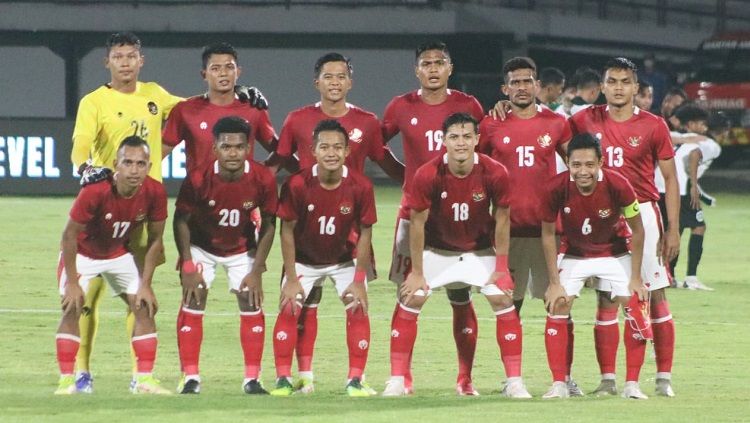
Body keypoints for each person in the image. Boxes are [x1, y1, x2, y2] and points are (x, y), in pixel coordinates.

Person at [274, 53, 401, 392]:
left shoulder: (368, 122)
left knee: (357, 303)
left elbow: (385, 161)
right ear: (317, 82)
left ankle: (355, 380)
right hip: (307, 232)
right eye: (327, 76)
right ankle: (301, 377)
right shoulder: (297, 120)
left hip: (350, 232)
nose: (334, 82)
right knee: (301, 304)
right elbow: (281, 159)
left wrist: (419, 184)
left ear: (350, 82)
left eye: (340, 76)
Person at [383, 113, 529, 397]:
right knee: (410, 296)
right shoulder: (427, 173)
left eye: (466, 137)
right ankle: (398, 379)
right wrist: (417, 271)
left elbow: (502, 219)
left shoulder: (495, 171)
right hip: (437, 250)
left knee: (501, 297)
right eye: (453, 137)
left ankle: (512, 382)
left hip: (478, 250)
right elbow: (417, 224)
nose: (460, 143)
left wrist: (501, 267)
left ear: (476, 139)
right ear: (443, 140)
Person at [69, 31, 182, 393]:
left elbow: (194, 108)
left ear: (141, 60)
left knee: (141, 295)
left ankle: (142, 376)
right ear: (108, 62)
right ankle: (81, 372)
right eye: (118, 57)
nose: (125, 63)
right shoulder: (94, 101)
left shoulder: (155, 95)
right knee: (89, 295)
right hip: (104, 206)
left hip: (145, 209)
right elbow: (81, 142)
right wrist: (83, 167)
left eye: (131, 56)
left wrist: (232, 100)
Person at [569, 57, 680, 397]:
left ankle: (663, 378)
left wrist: (673, 228)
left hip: (644, 214)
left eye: (625, 82)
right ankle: (607, 380)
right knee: (606, 297)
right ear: (602, 86)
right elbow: (545, 130)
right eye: (612, 81)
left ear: (636, 88)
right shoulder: (582, 120)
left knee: (653, 294)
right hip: (602, 216)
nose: (618, 87)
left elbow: (671, 178)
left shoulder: (653, 125)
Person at [382, 40, 485, 395]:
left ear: (450, 68)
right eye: (426, 63)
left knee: (461, 296)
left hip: (459, 217)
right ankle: (401, 378)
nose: (433, 68)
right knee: (408, 294)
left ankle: (465, 378)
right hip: (414, 214)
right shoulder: (400, 107)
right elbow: (376, 146)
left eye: (440, 62)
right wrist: (404, 175)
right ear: (417, 70)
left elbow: (484, 146)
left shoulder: (467, 105)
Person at [477, 57, 581, 395]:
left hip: (550, 231)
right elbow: (476, 172)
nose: (522, 87)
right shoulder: (490, 125)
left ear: (537, 85)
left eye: (527, 81)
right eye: (515, 82)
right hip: (508, 233)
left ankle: (564, 378)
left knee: (560, 303)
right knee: (510, 305)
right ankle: (512, 378)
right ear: (504, 88)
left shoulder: (556, 124)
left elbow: (578, 168)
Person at [270, 119, 377, 397]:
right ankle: (285, 379)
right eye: (325, 147)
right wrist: (292, 279)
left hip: (344, 259)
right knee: (290, 305)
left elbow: (366, 234)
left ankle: (356, 380)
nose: (331, 153)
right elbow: (287, 232)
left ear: (347, 151)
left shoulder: (361, 186)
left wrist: (358, 279)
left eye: (338, 147)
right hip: (305, 259)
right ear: (313, 150)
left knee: (357, 305)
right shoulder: (296, 184)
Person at [55, 137, 169, 395]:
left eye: (141, 164)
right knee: (72, 306)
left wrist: (146, 285)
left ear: (149, 166)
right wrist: (72, 282)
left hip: (118, 254)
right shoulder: (95, 191)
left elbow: (155, 240)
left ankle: (144, 380)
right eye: (127, 162)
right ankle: (66, 380)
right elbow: (69, 236)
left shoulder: (154, 192)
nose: (134, 169)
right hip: (82, 254)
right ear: (116, 164)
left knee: (144, 307)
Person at [173, 117, 277, 395]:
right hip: (201, 246)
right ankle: (190, 377)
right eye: (227, 146)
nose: (233, 153)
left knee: (250, 299)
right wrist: (187, 263)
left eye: (239, 147)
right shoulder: (197, 178)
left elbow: (269, 224)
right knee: (194, 296)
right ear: (215, 148)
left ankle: (252, 379)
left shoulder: (262, 177)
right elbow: (180, 220)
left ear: (248, 148)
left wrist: (257, 269)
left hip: (242, 247)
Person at [540, 133, 648, 399]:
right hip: (575, 254)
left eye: (589, 164)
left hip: (614, 252)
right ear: (567, 162)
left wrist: (636, 278)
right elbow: (547, 234)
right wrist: (554, 283)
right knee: (558, 304)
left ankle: (632, 385)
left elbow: (638, 230)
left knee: (635, 305)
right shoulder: (554, 187)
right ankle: (559, 384)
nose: (583, 171)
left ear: (600, 162)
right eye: (576, 165)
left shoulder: (618, 184)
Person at [162, 42, 278, 186]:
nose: (223, 73)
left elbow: (281, 151)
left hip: (243, 200)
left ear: (238, 72)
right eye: (215, 68)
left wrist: (266, 172)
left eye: (229, 67)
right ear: (204, 74)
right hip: (199, 202)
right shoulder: (185, 110)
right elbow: (158, 153)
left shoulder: (254, 108)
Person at [667, 106, 723, 290]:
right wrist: (695, 189)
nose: (704, 127)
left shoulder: (673, 136)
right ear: (690, 124)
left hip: (666, 188)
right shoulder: (708, 145)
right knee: (698, 227)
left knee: (677, 230)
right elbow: (691, 159)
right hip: (683, 189)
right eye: (700, 123)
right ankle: (690, 277)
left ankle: (670, 276)